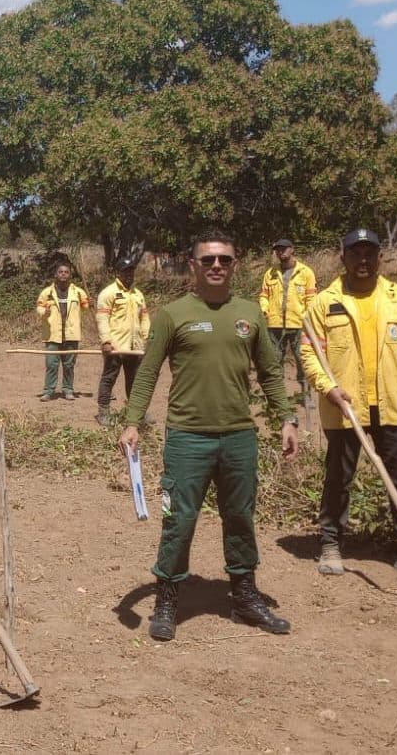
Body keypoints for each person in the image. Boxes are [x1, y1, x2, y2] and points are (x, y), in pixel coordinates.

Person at [120, 229, 298, 642]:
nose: (216, 266)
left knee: (240, 518)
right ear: (193, 264)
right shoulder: (173, 314)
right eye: (208, 260)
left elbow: (271, 373)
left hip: (239, 436)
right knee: (178, 520)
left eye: (224, 260)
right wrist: (132, 421)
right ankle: (167, 598)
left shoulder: (251, 314)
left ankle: (244, 595)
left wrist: (286, 418)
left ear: (235, 264)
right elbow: (147, 371)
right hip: (188, 438)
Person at [300, 229, 397, 583]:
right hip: (345, 409)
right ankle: (331, 543)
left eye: (369, 254)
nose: (363, 261)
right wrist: (328, 387)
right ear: (342, 257)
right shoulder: (323, 303)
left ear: (380, 257)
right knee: (338, 480)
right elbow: (311, 354)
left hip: (394, 405)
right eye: (355, 254)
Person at [96, 256, 150, 423]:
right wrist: (106, 341)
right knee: (109, 378)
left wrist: (148, 339)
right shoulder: (108, 293)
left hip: (135, 347)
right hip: (116, 346)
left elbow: (145, 319)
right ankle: (103, 412)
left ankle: (136, 412)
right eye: (125, 271)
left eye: (131, 271)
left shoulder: (138, 294)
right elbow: (102, 319)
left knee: (135, 380)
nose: (129, 274)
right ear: (117, 272)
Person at [259, 239, 316, 383]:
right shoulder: (270, 273)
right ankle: (279, 396)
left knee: (303, 360)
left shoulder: (306, 272)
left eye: (283, 248)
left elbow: (311, 299)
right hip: (275, 324)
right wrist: (264, 310)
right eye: (277, 249)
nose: (280, 252)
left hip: (298, 324)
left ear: (292, 250)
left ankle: (306, 395)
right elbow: (264, 296)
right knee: (275, 360)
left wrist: (307, 318)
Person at [35, 262, 87, 401]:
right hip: (52, 334)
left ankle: (68, 390)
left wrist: (89, 303)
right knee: (52, 364)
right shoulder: (47, 292)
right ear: (55, 274)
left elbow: (85, 306)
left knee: (69, 365)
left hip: (71, 334)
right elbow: (39, 308)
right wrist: (43, 311)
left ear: (70, 275)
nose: (63, 274)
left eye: (66, 272)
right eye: (61, 272)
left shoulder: (78, 292)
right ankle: (49, 391)